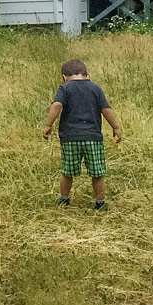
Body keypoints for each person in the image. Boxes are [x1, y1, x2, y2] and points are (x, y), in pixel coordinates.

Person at [42, 58, 121, 210]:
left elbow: (57, 105)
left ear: (64, 76)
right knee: (97, 173)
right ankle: (100, 203)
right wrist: (115, 127)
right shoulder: (95, 88)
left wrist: (48, 125)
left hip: (70, 138)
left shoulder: (64, 88)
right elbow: (106, 109)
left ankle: (64, 199)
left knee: (67, 172)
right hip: (93, 138)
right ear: (86, 74)